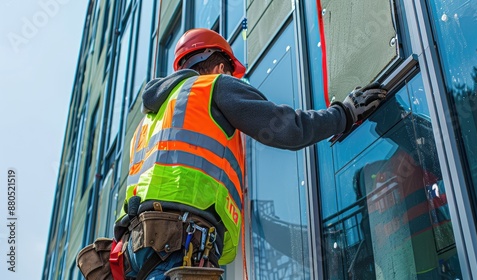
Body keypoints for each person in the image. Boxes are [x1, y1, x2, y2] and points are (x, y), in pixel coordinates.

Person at [76, 28, 387, 280]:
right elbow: (289, 128)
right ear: (220, 65)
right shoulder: (213, 87)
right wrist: (344, 113)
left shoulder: (150, 120)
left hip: (136, 252)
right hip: (178, 245)